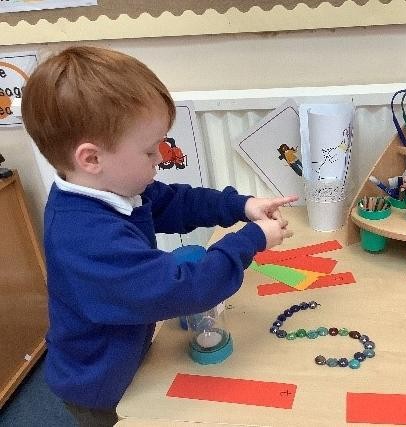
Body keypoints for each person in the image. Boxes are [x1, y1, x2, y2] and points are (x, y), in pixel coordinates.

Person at [21, 45, 298, 426]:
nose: (161, 158)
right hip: (101, 386)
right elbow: (183, 289)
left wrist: (242, 206)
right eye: (150, 150)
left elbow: (173, 202)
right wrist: (251, 239)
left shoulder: (109, 189)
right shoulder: (86, 239)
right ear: (91, 159)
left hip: (124, 351)